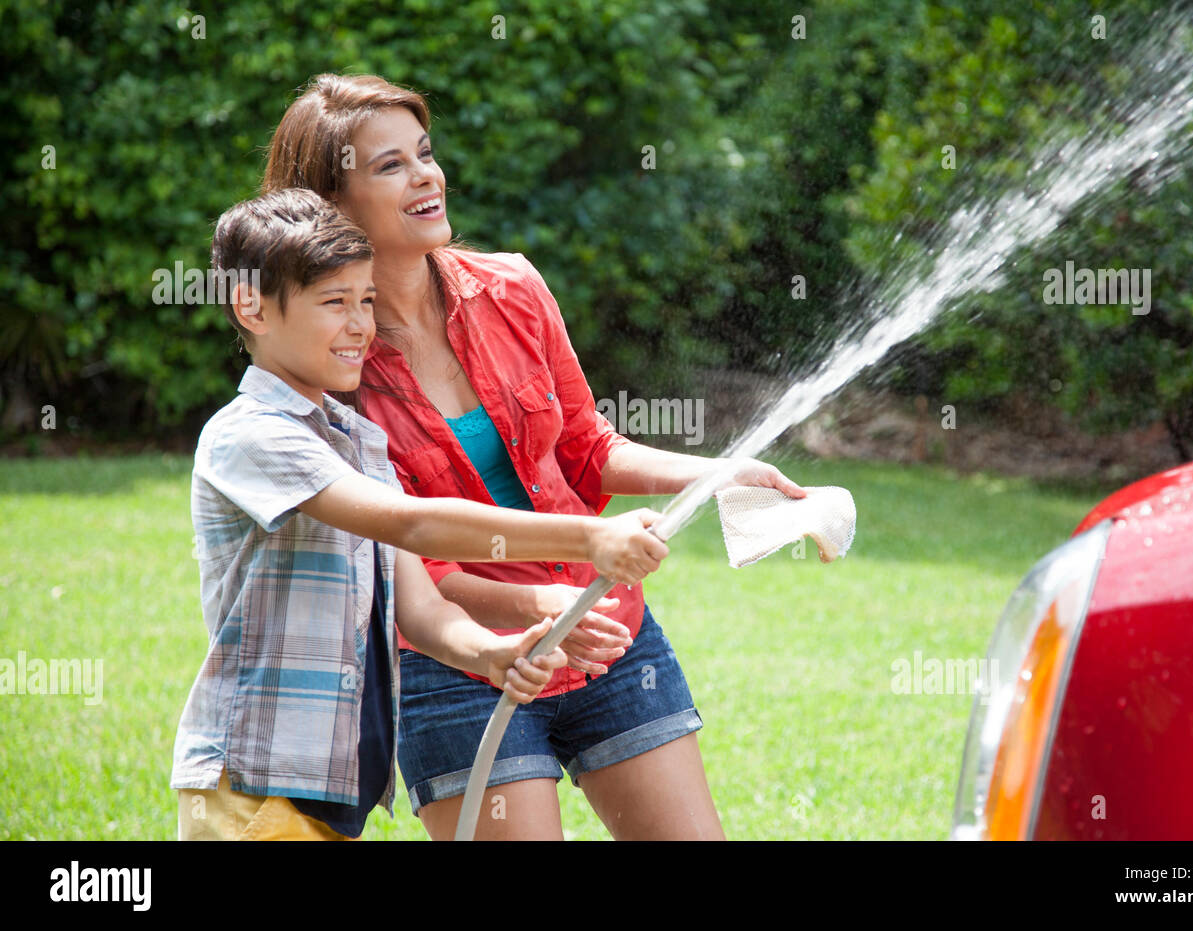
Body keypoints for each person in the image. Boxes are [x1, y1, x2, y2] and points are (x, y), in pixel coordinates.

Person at [262, 74, 806, 840]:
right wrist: (536, 610)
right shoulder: (330, 371)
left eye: (425, 153)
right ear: (329, 204)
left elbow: (587, 446)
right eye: (390, 166)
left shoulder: (513, 287)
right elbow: (419, 564)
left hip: (608, 633)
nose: (426, 175)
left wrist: (718, 475)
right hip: (456, 665)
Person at [171, 187, 667, 840]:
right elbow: (413, 522)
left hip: (328, 793)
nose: (359, 326)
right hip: (251, 790)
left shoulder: (356, 438)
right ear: (251, 307)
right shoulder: (252, 436)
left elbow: (421, 608)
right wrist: (590, 537)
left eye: (365, 300)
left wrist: (491, 651)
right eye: (334, 303)